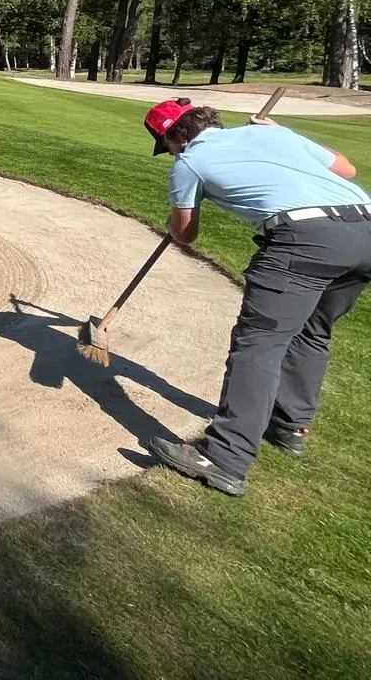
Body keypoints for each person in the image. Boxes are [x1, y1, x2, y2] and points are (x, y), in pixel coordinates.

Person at [142, 97, 371, 496]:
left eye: (168, 147)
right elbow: (346, 168)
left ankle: (225, 457)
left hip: (304, 241)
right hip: (365, 230)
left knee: (259, 345)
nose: (172, 153)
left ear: (174, 139)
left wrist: (175, 219)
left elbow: (186, 234)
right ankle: (289, 427)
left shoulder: (189, 163)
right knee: (312, 331)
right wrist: (283, 132)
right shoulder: (272, 135)